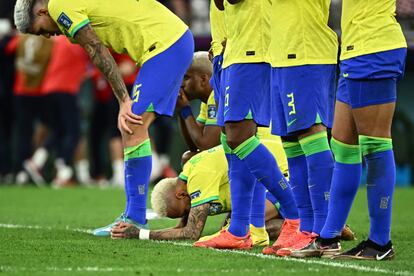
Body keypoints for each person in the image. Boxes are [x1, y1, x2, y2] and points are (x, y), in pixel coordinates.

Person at [14, 0, 194, 234]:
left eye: (40, 30)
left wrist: (123, 100)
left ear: (41, 11)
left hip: (165, 44)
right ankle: (134, 214)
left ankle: (135, 217)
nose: (47, 36)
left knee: (131, 124)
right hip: (166, 43)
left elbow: (97, 49)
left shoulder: (59, 6)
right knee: (132, 126)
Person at [291, 0, 407, 260]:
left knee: (376, 145)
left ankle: (380, 243)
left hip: (375, 45)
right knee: (343, 146)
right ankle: (328, 238)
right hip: (354, 50)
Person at [193, 0, 299, 250]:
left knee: (239, 136)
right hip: (229, 49)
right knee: (230, 142)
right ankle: (239, 230)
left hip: (251, 49)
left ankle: (295, 216)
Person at [263, 0, 339, 256]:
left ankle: (323, 231)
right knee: (292, 144)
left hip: (306, 51)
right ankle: (305, 228)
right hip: (281, 55)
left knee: (311, 134)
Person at [111, 137, 288, 242]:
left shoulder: (199, 176)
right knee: (232, 229)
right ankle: (299, 225)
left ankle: (304, 225)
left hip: (281, 172)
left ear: (180, 194)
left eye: (185, 211)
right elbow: (183, 226)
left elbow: (191, 233)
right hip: (262, 182)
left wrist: (140, 234)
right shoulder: (186, 185)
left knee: (243, 229)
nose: (188, 214)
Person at [176, 51, 221, 153]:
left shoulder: (216, 95)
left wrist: (186, 110)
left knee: (188, 158)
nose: (181, 84)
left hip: (250, 152)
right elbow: (194, 145)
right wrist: (181, 110)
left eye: (186, 78)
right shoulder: (206, 101)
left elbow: (206, 145)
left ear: (203, 80)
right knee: (189, 156)